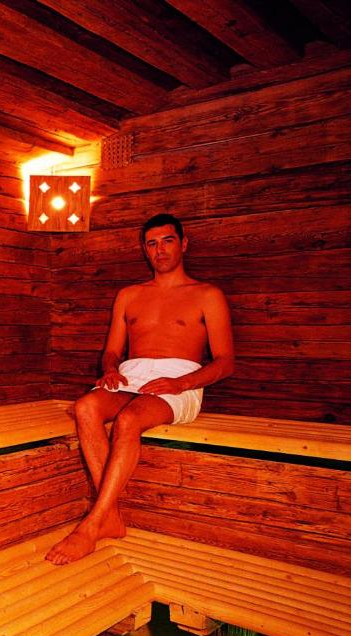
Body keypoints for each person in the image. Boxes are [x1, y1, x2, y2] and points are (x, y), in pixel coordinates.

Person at [45, 213, 234, 565]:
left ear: (183, 244)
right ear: (145, 250)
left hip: (180, 379)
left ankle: (92, 526)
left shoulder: (207, 295)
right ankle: (111, 517)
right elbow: (112, 351)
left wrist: (181, 383)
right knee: (85, 407)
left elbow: (225, 362)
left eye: (167, 241)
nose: (160, 250)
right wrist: (109, 369)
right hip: (131, 375)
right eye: (152, 243)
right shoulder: (129, 295)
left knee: (129, 420)